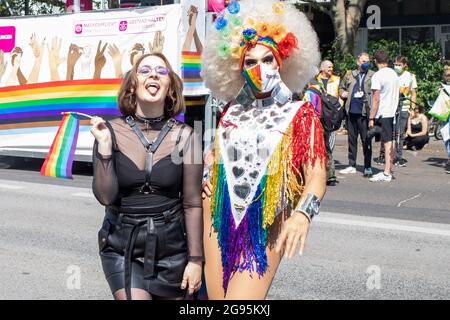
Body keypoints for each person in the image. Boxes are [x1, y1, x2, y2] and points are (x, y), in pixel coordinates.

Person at [200, 0, 327, 299]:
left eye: (267, 59)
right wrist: (208, 171)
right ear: (239, 67)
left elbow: (317, 175)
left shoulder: (302, 114)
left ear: (281, 61)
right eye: (250, 62)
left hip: (265, 222)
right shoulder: (230, 111)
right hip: (216, 218)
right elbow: (217, 156)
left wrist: (303, 215)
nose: (259, 68)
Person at [90, 53, 203, 300]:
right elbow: (106, 197)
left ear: (170, 87)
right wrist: (106, 149)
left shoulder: (188, 137)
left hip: (174, 251)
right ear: (132, 83)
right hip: (122, 248)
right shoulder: (108, 132)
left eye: (161, 72)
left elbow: (193, 203)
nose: (153, 74)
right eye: (145, 70)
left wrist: (196, 260)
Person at [339, 52, 374, 177]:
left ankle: (367, 166)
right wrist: (342, 93)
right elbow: (341, 88)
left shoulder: (372, 75)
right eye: (364, 61)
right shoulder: (350, 75)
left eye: (367, 61)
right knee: (352, 140)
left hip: (364, 113)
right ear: (358, 62)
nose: (366, 63)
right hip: (351, 112)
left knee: (366, 141)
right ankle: (351, 165)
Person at [369, 50, 399, 182]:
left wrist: (371, 117)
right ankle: (388, 169)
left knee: (387, 143)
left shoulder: (377, 76)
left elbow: (376, 99)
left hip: (384, 112)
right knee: (390, 142)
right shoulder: (394, 73)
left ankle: (386, 172)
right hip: (393, 111)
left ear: (375, 61)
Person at [393, 55, 418, 166]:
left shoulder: (410, 76)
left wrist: (412, 109)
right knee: (391, 132)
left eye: (399, 65)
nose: (396, 66)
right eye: (395, 64)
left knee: (400, 132)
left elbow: (413, 94)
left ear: (404, 65)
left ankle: (399, 156)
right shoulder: (391, 74)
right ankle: (386, 155)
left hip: (404, 108)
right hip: (391, 107)